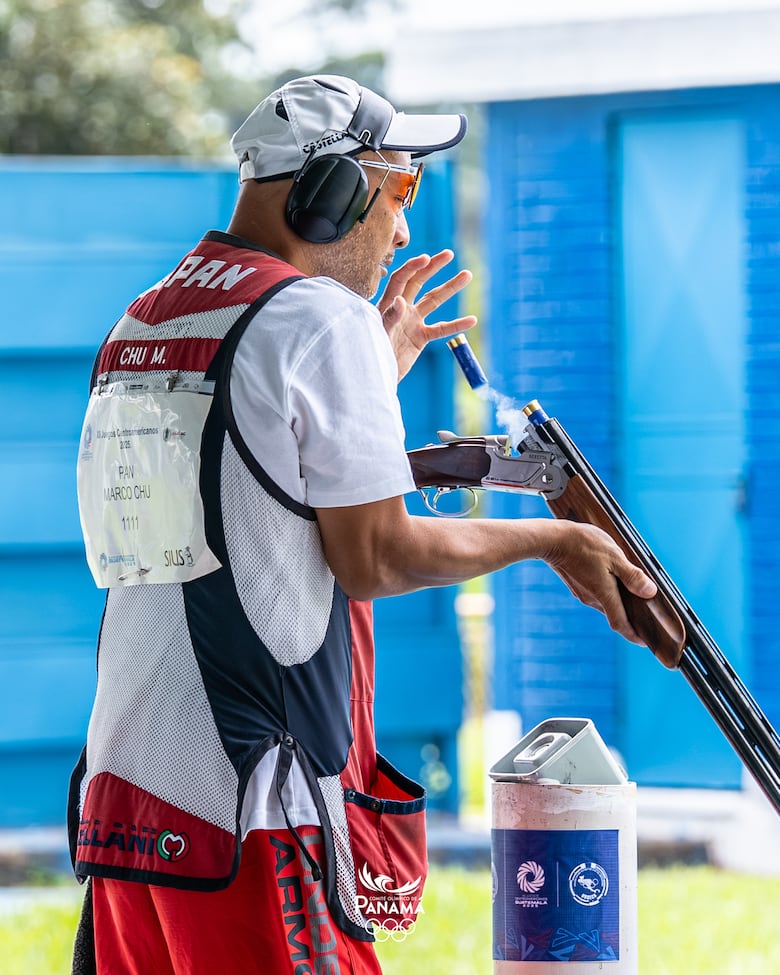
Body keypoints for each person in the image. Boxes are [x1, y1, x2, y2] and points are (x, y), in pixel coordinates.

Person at [70, 74, 656, 975]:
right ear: (332, 191)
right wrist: (558, 540)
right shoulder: (315, 320)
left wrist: (365, 379)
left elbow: (234, 493)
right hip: (253, 804)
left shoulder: (147, 319)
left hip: (127, 797)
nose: (404, 227)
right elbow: (377, 552)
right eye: (400, 189)